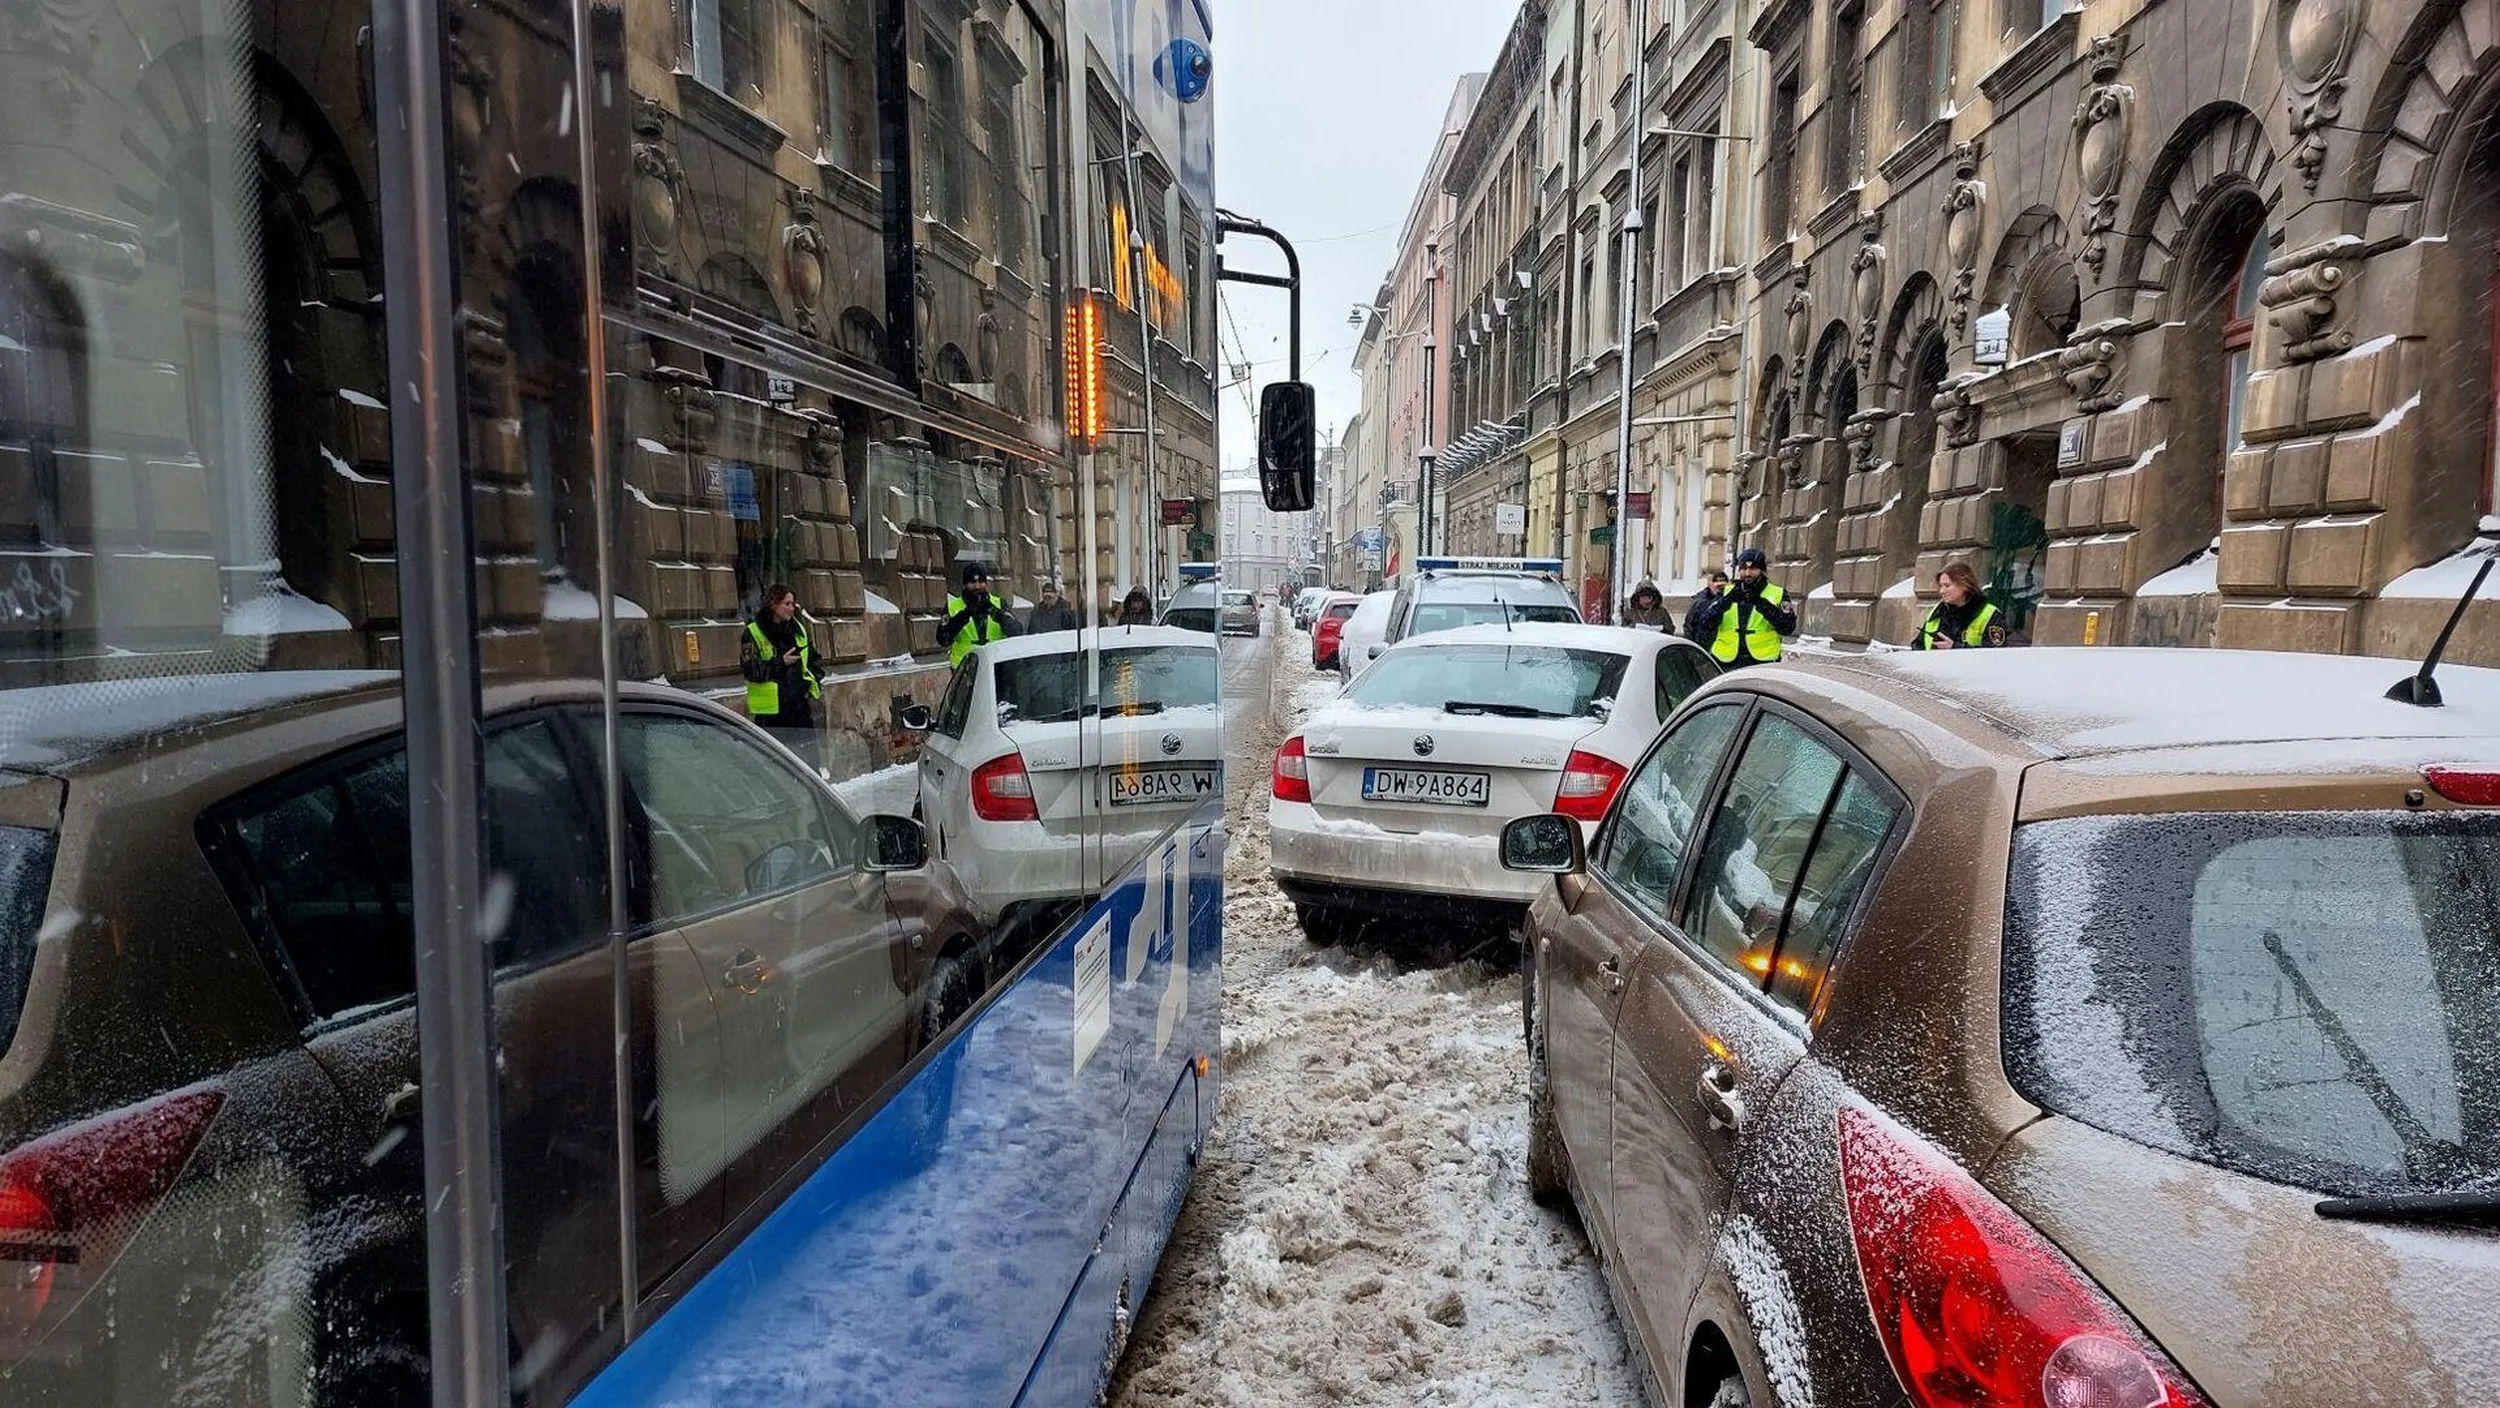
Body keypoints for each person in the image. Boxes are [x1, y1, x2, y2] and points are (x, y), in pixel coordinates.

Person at [741, 583, 822, 769]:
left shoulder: (797, 630)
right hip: (771, 714)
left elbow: (814, 660)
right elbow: (752, 670)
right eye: (787, 604)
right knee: (776, 767)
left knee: (809, 766)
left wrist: (812, 682)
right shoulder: (753, 632)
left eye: (793, 604)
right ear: (773, 604)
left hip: (800, 709)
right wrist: (781, 662)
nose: (792, 608)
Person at [1688, 549, 1797, 668]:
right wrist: (1727, 600)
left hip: (1763, 660)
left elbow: (1787, 627)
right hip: (1726, 660)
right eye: (1744, 569)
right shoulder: (1727, 591)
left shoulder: (1777, 593)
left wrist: (1760, 603)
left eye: (1753, 569)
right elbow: (1706, 622)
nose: (1747, 573)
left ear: (1762, 571)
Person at [1914, 561, 2009, 651]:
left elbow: (1995, 654)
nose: (1941, 591)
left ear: (1964, 585)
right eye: (1941, 586)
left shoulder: (1990, 614)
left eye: (1947, 586)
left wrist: (1955, 647)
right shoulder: (1936, 613)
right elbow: (1918, 646)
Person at [939, 561, 1018, 668]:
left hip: (995, 667)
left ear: (986, 583)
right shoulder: (953, 607)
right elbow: (943, 639)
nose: (977, 586)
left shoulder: (999, 604)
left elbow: (1017, 631)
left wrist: (997, 614)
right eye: (972, 582)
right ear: (965, 584)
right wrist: (965, 615)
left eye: (981, 582)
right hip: (965, 669)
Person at [1683, 571, 1731, 641]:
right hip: (1705, 643)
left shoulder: (1732, 600)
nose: (1721, 590)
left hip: (1724, 644)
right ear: (1710, 585)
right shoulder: (1700, 602)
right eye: (1718, 586)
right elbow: (1689, 625)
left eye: (1723, 587)